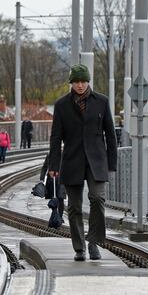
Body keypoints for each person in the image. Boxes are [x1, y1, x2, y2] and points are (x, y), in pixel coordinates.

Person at [47, 64, 117, 262]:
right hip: (72, 160)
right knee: (74, 207)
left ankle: (94, 242)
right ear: (71, 83)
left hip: (97, 161)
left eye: (83, 81)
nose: (79, 85)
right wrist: (53, 165)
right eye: (76, 82)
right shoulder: (61, 105)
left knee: (97, 199)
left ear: (88, 82)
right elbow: (55, 138)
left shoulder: (102, 102)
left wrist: (112, 163)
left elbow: (111, 135)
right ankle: (79, 248)